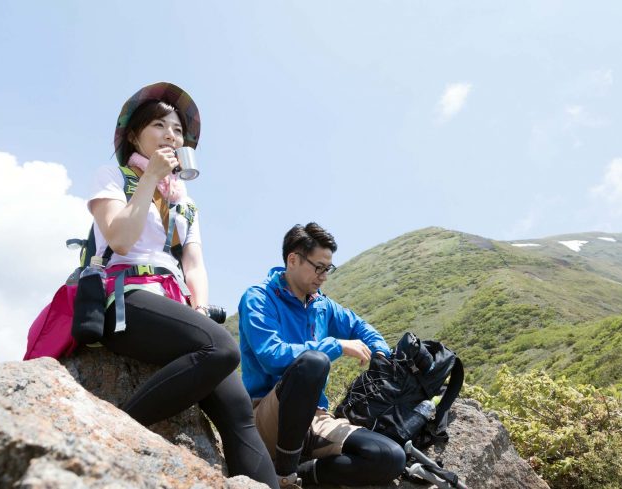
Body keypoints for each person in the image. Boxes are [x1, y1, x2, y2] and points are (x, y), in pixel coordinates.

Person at [88, 82, 278, 488]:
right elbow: (120, 239)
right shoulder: (114, 176)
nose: (171, 134)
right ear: (135, 135)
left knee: (237, 407)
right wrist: (150, 177)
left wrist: (199, 309)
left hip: (173, 303)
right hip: (125, 299)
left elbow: (194, 264)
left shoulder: (184, 201)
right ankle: (118, 433)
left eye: (177, 129)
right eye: (159, 125)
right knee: (222, 347)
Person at [238, 223, 406, 488]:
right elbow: (272, 355)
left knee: (390, 457)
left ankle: (302, 474)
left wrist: (381, 353)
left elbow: (360, 327)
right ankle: (284, 473)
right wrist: (334, 345)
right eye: (318, 267)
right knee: (313, 362)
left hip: (316, 417)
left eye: (328, 268)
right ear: (293, 260)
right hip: (268, 415)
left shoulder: (321, 304)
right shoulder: (258, 298)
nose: (324, 276)